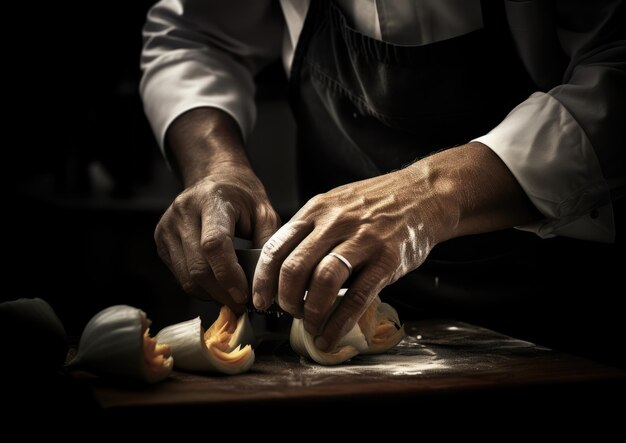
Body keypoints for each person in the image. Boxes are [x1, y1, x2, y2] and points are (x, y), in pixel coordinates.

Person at [140, 0, 625, 353]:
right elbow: (196, 34)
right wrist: (215, 166)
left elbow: (617, 74)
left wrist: (433, 195)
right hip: (336, 296)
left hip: (567, 309)